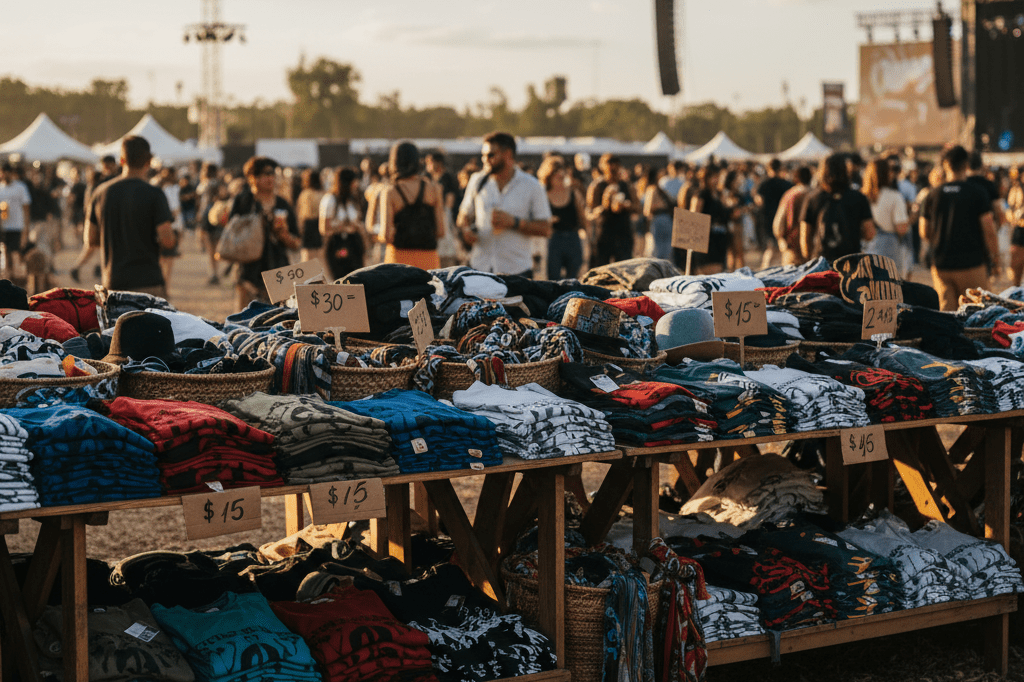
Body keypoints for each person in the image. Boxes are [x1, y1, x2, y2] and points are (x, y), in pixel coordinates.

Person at [83, 135, 178, 298]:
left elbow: (90, 239)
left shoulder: (101, 193)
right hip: (149, 283)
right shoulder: (155, 194)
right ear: (148, 162)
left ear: (121, 160)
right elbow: (167, 240)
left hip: (113, 283)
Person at [457, 132, 552, 276]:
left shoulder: (532, 185)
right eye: (483, 155)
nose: (485, 160)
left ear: (507, 154)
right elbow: (463, 215)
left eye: (490, 155)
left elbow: (546, 229)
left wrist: (515, 222)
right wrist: (466, 231)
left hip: (516, 271)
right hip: (480, 267)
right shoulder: (477, 180)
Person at [920, 145, 998, 311]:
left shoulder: (932, 194)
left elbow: (924, 230)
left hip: (941, 264)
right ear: (966, 164)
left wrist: (939, 239)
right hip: (972, 263)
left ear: (946, 165)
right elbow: (989, 231)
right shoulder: (978, 192)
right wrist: (995, 259)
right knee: (977, 313)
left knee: (947, 314)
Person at [227, 156, 301, 311]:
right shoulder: (243, 202)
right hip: (247, 272)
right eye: (266, 173)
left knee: (279, 320)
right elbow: (231, 234)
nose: (271, 178)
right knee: (244, 320)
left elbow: (297, 243)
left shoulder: (282, 204)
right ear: (252, 177)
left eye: (273, 173)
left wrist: (283, 235)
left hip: (278, 272)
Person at [380, 141, 446, 270]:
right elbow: (441, 232)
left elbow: (386, 235)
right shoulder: (434, 189)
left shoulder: (390, 192)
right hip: (429, 259)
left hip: (398, 260)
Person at [799, 153, 875, 262]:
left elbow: (805, 240)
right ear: (846, 171)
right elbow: (869, 234)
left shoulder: (812, 198)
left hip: (822, 263)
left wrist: (812, 260)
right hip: (850, 262)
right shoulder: (859, 197)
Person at [539, 156, 587, 279]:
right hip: (553, 239)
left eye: (562, 173)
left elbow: (582, 217)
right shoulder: (543, 195)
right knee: (553, 279)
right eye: (556, 173)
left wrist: (588, 239)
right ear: (549, 176)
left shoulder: (573, 192)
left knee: (573, 279)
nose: (560, 176)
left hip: (573, 238)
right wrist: (548, 221)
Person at [862, 158, 911, 277]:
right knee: (889, 288)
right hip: (888, 246)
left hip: (865, 247)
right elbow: (901, 229)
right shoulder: (895, 197)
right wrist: (912, 218)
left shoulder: (861, 196)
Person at [585, 153, 635, 267]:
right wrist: (605, 205)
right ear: (603, 167)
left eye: (615, 167)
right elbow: (589, 213)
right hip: (603, 233)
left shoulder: (626, 185)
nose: (612, 170)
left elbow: (638, 208)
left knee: (624, 269)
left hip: (623, 233)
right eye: (609, 167)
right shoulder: (597, 186)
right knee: (600, 269)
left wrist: (626, 206)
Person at [320, 167, 366, 280]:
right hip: (337, 244)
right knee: (341, 281)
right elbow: (324, 228)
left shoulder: (353, 200)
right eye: (353, 182)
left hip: (354, 243)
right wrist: (345, 226)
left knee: (357, 279)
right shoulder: (330, 199)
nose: (356, 185)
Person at [684, 164, 731, 274]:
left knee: (719, 272)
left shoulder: (718, 194)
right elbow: (694, 216)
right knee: (710, 273)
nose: (716, 180)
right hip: (706, 240)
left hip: (719, 238)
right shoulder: (701, 194)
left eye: (717, 176)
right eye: (713, 177)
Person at [754, 159, 792, 268]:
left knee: (771, 249)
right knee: (783, 248)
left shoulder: (763, 184)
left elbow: (758, 201)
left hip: (768, 220)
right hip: (784, 220)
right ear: (780, 168)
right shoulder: (787, 184)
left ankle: (764, 270)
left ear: (769, 169)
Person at [773, 165, 813, 266]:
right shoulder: (816, 194)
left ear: (796, 178)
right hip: (813, 247)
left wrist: (782, 240)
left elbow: (778, 223)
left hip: (793, 246)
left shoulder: (790, 195)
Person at [0, 162, 31, 275]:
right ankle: (7, 280)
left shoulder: (20, 187)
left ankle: (17, 279)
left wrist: (26, 229)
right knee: (5, 254)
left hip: (17, 226)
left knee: (15, 254)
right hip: (3, 226)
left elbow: (26, 209)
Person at [195, 162, 223, 285]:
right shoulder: (218, 183)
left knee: (210, 248)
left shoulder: (203, 184)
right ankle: (216, 272)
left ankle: (213, 273)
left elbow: (200, 203)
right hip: (216, 216)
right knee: (216, 246)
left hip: (206, 217)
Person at [642, 166, 676, 260]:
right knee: (666, 248)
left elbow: (648, 210)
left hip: (658, 219)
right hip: (666, 219)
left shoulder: (652, 189)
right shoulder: (657, 189)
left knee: (658, 249)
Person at [295, 168, 326, 264]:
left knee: (307, 257)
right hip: (320, 224)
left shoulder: (305, 194)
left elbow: (301, 214)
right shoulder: (323, 194)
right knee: (321, 255)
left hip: (308, 225)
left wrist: (299, 229)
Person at [1007, 165, 1024, 285]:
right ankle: (1016, 290)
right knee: (1016, 265)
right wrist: (1012, 218)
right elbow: (1009, 208)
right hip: (1019, 229)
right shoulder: (1015, 188)